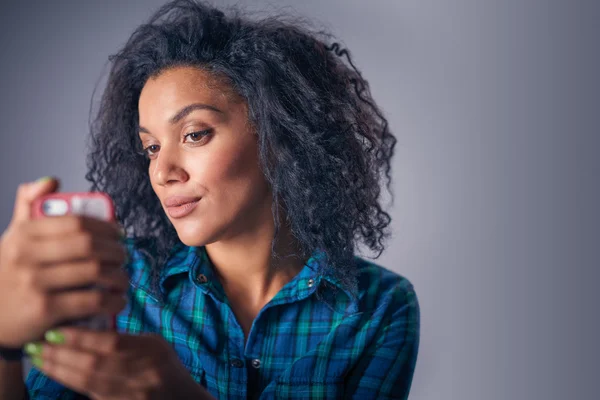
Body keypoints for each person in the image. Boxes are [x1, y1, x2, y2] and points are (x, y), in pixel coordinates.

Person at [0, 0, 420, 398]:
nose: (163, 173)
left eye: (194, 134)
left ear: (279, 136)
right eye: (151, 148)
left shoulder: (379, 308)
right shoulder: (114, 281)